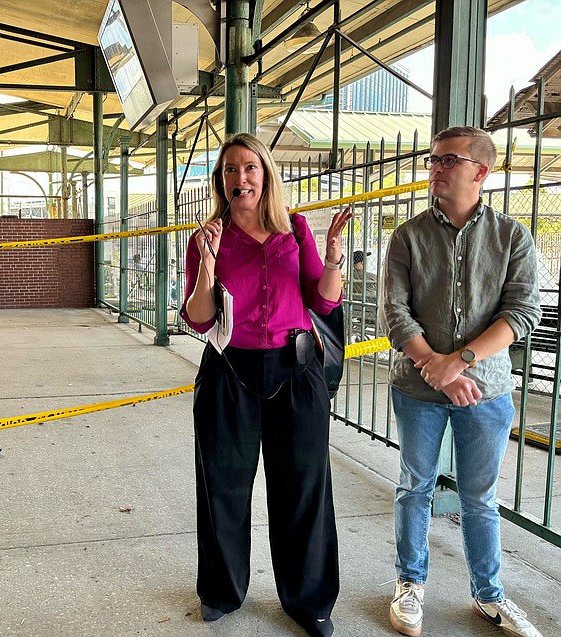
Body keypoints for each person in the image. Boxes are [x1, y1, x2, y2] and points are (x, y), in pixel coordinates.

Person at [180, 132, 351, 637]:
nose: (241, 178)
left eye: (250, 168)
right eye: (230, 170)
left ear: (266, 174)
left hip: (295, 372)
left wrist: (335, 260)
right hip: (229, 372)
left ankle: (309, 601)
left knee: (303, 488)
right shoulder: (205, 238)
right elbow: (198, 319)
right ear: (221, 181)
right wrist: (208, 266)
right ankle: (221, 590)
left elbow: (323, 302)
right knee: (222, 487)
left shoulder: (294, 229)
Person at [379, 126, 543, 637]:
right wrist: (437, 366)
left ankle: (488, 595)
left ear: (481, 172)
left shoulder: (512, 237)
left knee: (480, 497)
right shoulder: (407, 237)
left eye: (448, 160)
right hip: (417, 389)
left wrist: (462, 361)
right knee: (415, 486)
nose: (436, 168)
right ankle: (410, 585)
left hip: (486, 390)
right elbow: (394, 314)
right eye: (433, 160)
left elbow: (521, 312)